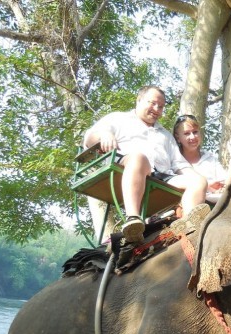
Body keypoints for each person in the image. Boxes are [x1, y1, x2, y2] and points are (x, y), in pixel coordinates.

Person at [82, 86, 208, 243]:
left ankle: (189, 228)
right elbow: (89, 139)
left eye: (161, 106)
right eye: (153, 103)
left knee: (199, 181)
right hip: (126, 167)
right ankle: (133, 219)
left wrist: (204, 181)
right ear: (139, 100)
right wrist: (104, 135)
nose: (157, 109)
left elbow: (180, 164)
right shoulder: (118, 119)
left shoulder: (165, 134)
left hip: (159, 176)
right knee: (139, 158)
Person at [171, 114, 231, 204]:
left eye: (195, 132)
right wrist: (207, 186)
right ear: (178, 137)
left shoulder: (210, 159)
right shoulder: (173, 158)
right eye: (187, 133)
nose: (192, 137)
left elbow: (228, 186)